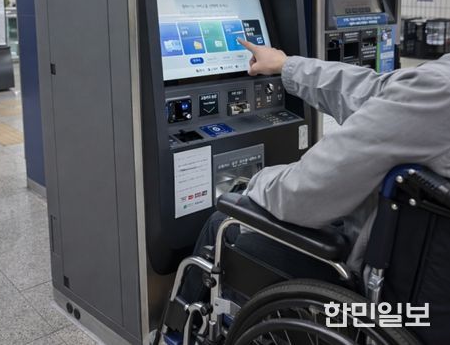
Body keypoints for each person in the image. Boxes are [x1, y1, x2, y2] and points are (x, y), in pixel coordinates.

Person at [181, 39, 450, 301]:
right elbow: (378, 90)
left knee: (223, 221)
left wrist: (251, 185)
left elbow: (304, 193)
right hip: (427, 287)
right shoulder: (435, 85)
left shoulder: (435, 92)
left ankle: (178, 323)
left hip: (376, 291)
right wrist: (286, 65)